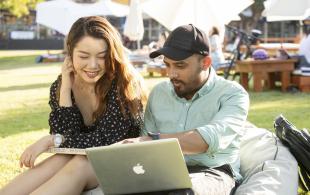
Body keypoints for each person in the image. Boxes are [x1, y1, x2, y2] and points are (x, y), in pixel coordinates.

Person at [0, 16, 146, 195]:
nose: (93, 65)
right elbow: (65, 137)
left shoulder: (124, 84)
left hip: (125, 159)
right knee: (61, 159)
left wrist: (51, 140)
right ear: (70, 53)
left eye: (102, 57)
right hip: (81, 155)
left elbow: (106, 142)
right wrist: (66, 89)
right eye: (83, 56)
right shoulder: (62, 84)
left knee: (79, 162)